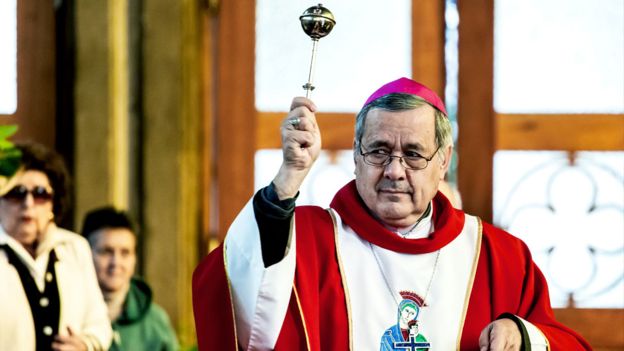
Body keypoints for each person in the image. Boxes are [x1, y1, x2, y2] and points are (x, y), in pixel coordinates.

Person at [192, 77, 591, 350]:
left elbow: (562, 342)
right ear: (356, 155)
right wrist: (286, 180)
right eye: (379, 150)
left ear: (443, 161)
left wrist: (521, 334)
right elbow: (232, 298)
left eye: (413, 154)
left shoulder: (497, 256)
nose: (395, 170)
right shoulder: (307, 238)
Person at [0, 142, 112, 351]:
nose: (28, 204)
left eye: (40, 193)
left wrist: (85, 344)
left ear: (53, 204)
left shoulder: (74, 248)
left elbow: (99, 323)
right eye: (17, 193)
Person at [81, 206, 179, 351]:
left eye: (125, 253)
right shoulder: (66, 312)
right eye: (106, 251)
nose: (116, 263)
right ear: (84, 253)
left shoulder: (156, 323)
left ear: (135, 259)